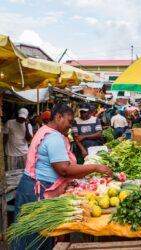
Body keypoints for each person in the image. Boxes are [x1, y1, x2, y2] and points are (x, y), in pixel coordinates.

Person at [12, 102, 113, 250]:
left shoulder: (45, 130)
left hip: (32, 187)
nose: (71, 126)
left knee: (35, 237)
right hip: (37, 192)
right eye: (69, 121)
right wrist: (95, 167)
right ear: (58, 117)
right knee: (32, 240)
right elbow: (64, 170)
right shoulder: (54, 137)